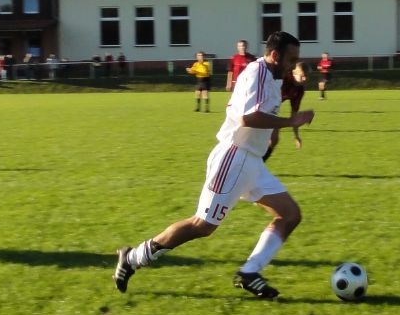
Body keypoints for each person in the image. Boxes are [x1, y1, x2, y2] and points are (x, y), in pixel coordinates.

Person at [114, 31, 316, 300]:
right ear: (275, 55)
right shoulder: (258, 73)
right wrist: (290, 122)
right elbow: (248, 118)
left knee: (290, 215)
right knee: (202, 225)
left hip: (252, 161)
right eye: (291, 59)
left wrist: (277, 132)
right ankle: (132, 257)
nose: (293, 65)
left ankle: (250, 273)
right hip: (234, 156)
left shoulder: (273, 76)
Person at [267, 62, 308, 159]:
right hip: (261, 104)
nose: (305, 79)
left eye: (306, 76)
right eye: (302, 76)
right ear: (294, 73)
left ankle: (260, 161)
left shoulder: (299, 90)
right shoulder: (283, 78)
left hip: (272, 109)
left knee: (274, 140)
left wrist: (296, 136)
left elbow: (294, 115)